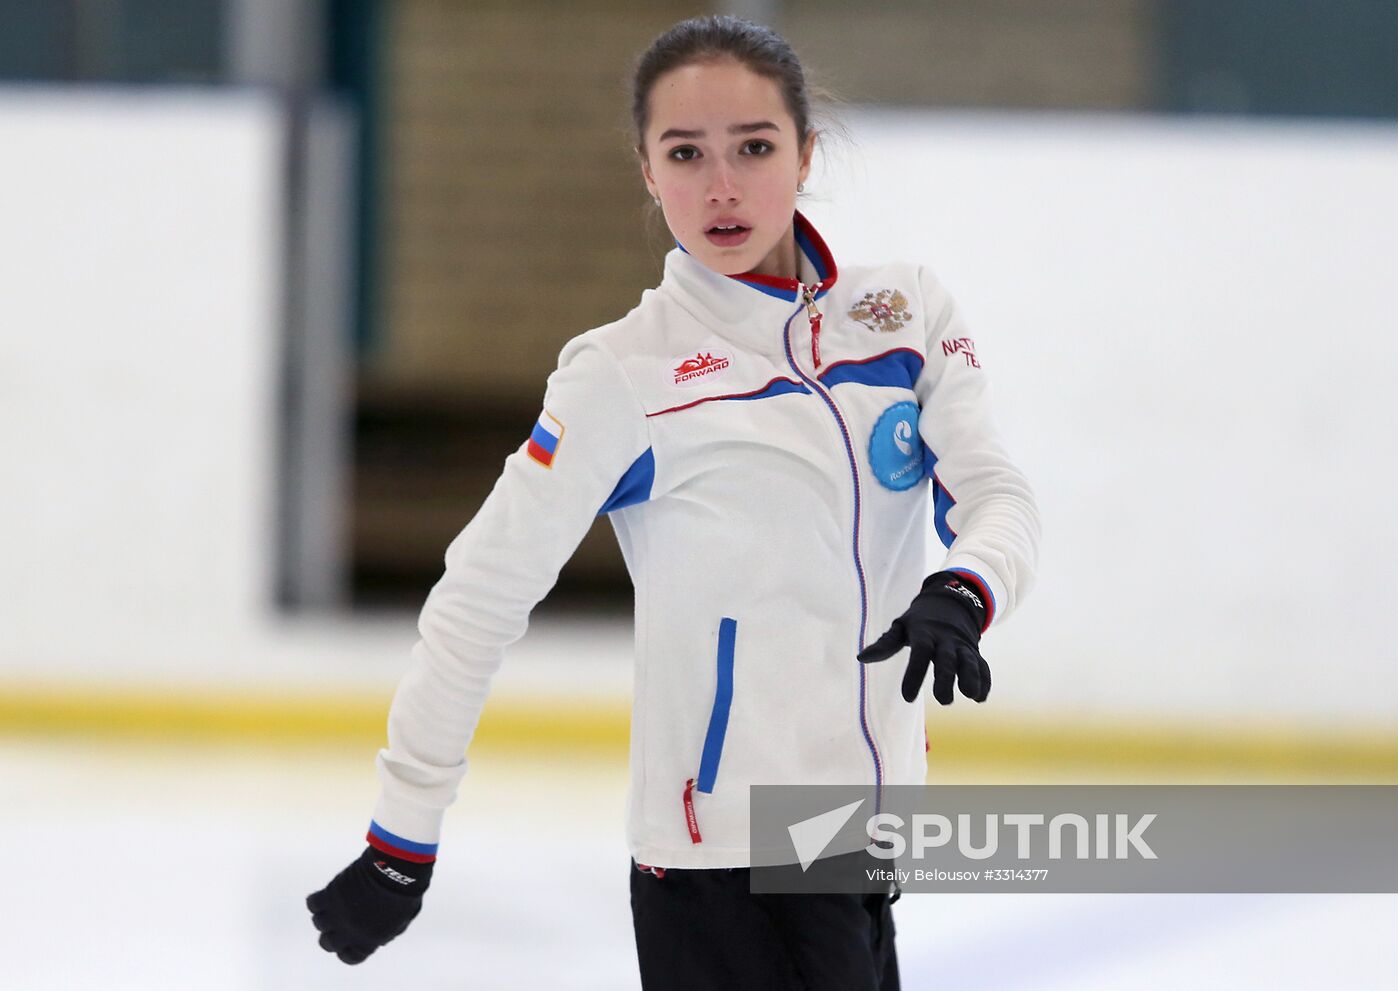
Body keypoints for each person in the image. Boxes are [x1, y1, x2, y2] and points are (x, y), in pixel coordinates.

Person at [307, 14, 1039, 990]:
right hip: (719, 871)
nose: (721, 186)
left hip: (854, 848)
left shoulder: (900, 315)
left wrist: (965, 588)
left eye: (753, 147)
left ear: (805, 152)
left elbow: (997, 497)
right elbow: (478, 595)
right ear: (648, 172)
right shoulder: (623, 375)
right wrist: (404, 833)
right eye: (684, 153)